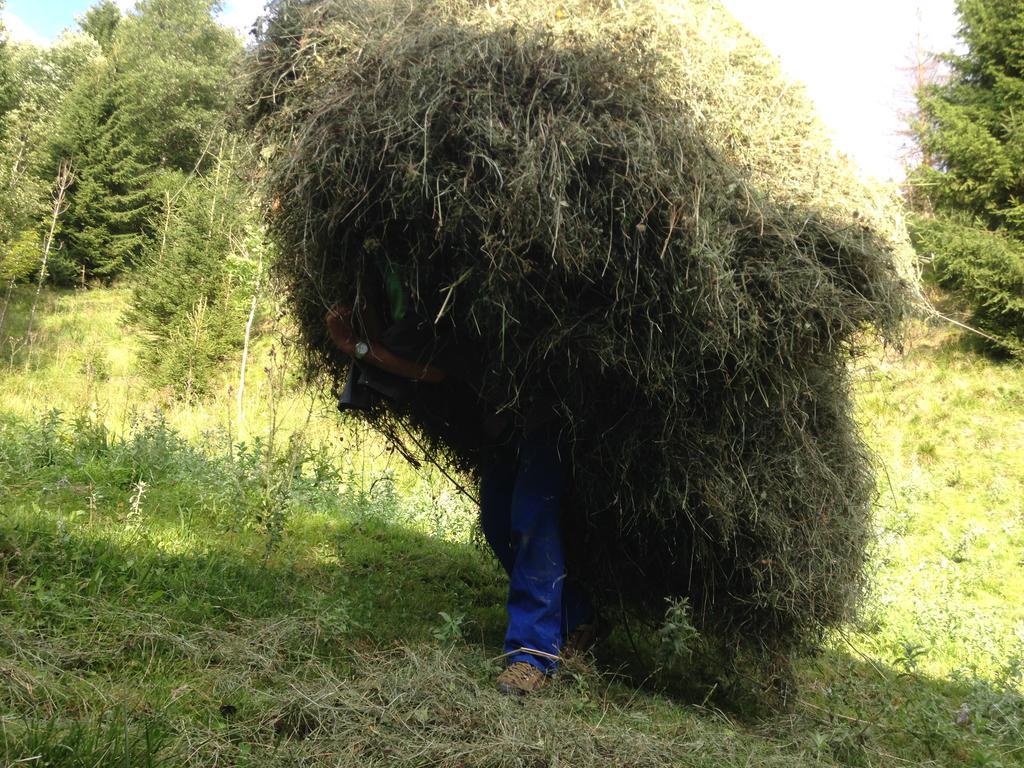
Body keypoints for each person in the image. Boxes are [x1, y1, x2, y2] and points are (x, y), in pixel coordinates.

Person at [325, 284, 596, 695]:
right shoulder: (413, 283)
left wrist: (355, 347)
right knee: (495, 521)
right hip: (499, 417)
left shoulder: (469, 281)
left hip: (545, 406)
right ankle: (577, 616)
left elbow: (433, 371)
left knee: (531, 516)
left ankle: (532, 655)